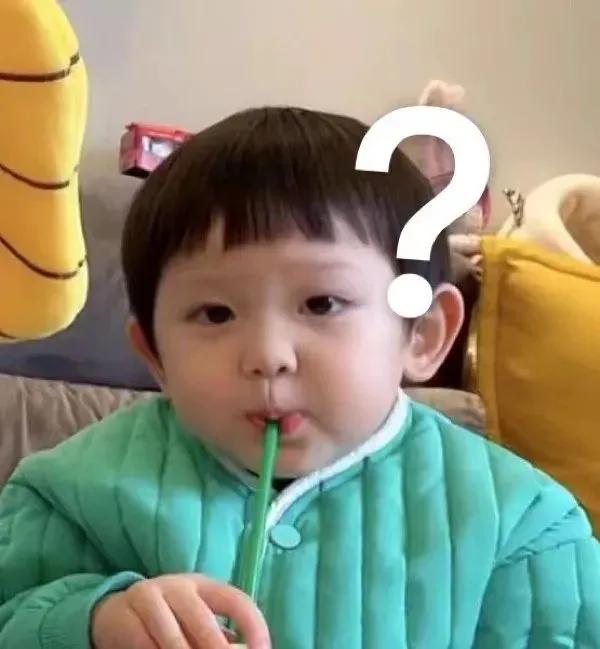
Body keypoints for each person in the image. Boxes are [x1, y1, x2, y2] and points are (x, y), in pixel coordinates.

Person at [0, 107, 598, 649]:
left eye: (321, 304)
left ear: (422, 334)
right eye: (215, 314)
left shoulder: (523, 524)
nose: (268, 355)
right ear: (154, 356)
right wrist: (94, 623)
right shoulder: (67, 492)